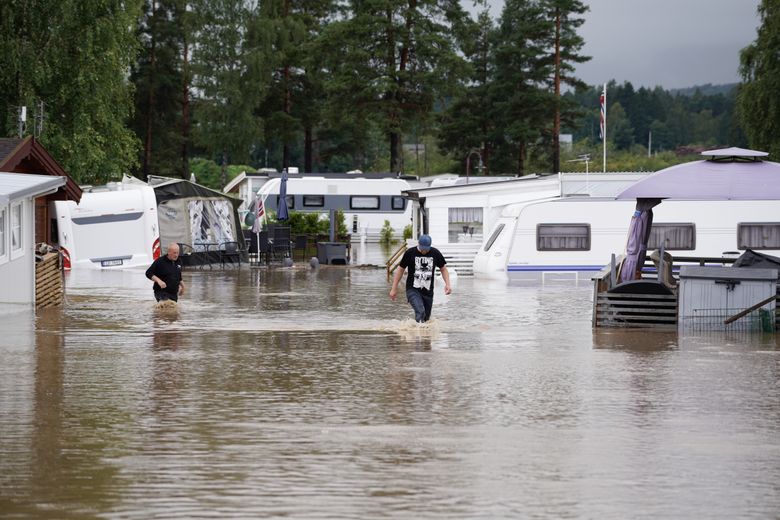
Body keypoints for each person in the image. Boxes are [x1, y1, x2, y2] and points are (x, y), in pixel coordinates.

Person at [389, 234, 451, 322]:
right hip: (413, 289)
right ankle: (418, 334)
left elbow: (443, 269)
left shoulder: (435, 253)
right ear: (418, 244)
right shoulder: (410, 253)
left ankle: (422, 334)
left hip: (428, 291)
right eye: (422, 248)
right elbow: (400, 269)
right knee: (420, 311)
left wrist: (448, 284)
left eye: (426, 248)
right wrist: (394, 288)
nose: (424, 251)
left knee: (426, 319)